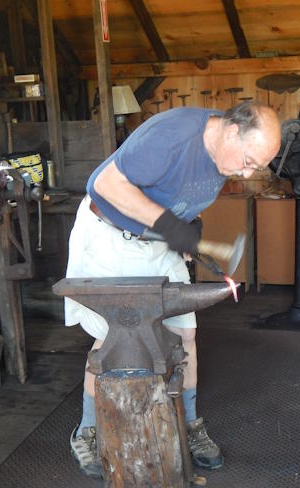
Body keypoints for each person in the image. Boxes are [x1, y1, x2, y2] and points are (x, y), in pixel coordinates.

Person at [64, 100, 281, 477]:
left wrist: (188, 225)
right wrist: (169, 224)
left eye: (257, 167)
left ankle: (191, 423)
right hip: (112, 236)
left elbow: (181, 194)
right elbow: (105, 184)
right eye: (248, 161)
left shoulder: (223, 157)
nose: (247, 174)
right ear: (232, 131)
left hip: (156, 241)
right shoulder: (172, 135)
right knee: (115, 339)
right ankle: (87, 432)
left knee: (185, 333)